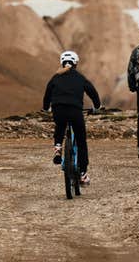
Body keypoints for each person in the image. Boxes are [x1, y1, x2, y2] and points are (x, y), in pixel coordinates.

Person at [42, 50, 101, 185]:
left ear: (62, 63)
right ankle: (82, 174)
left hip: (58, 109)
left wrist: (46, 108)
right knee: (81, 142)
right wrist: (97, 107)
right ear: (76, 63)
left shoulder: (55, 77)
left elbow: (47, 94)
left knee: (60, 126)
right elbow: (92, 92)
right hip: (75, 111)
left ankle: (58, 148)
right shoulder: (80, 77)